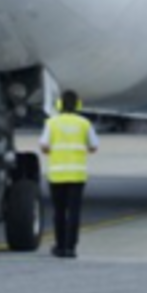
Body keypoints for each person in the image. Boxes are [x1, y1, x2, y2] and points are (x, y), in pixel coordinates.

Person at [38, 90, 99, 258]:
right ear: (78, 104)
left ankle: (60, 246)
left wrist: (54, 150)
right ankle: (71, 247)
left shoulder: (52, 123)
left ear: (59, 104)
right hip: (77, 176)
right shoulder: (84, 123)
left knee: (59, 213)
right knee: (74, 212)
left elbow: (43, 145)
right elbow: (94, 146)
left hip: (57, 175)